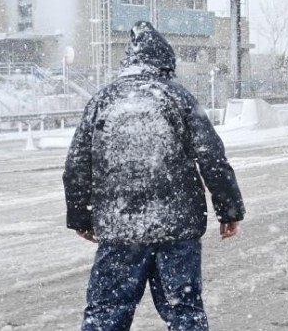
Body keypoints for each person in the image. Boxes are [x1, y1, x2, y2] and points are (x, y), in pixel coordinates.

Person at [63, 21, 245, 331]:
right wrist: (228, 210)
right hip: (177, 228)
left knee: (106, 312)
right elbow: (212, 157)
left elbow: (77, 164)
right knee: (183, 311)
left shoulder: (102, 101)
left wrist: (81, 217)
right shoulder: (178, 97)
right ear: (166, 61)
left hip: (121, 230)